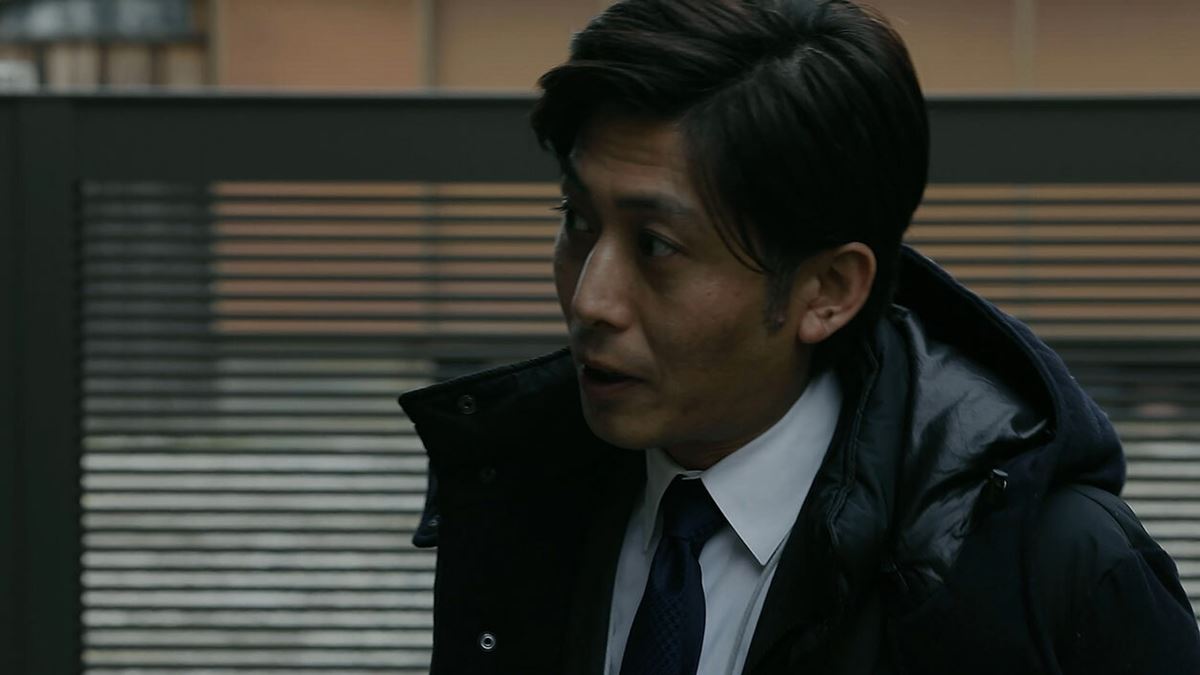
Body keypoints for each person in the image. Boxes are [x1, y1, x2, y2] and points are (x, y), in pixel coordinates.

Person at [399, 0, 1200, 673]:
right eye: (576, 220)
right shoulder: (521, 504)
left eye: (657, 246)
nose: (589, 298)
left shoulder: (1048, 571)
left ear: (827, 291)